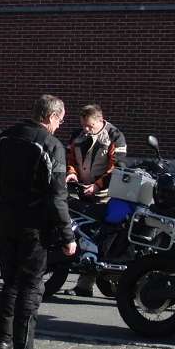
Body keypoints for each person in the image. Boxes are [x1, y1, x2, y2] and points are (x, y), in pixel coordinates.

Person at [0, 94, 76, 349]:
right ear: (51, 116)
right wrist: (67, 234)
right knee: (31, 285)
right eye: (60, 120)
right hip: (33, 225)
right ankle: (23, 348)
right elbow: (57, 196)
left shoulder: (6, 137)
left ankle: (3, 340)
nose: (59, 125)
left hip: (6, 221)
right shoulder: (51, 145)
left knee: (10, 281)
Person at [65, 104, 127, 297]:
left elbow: (117, 167)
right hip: (80, 189)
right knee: (80, 233)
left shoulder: (115, 136)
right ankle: (83, 285)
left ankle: (93, 283)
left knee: (99, 237)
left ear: (100, 120)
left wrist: (98, 186)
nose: (86, 129)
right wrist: (71, 174)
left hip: (103, 194)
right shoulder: (77, 135)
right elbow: (69, 158)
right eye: (83, 125)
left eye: (90, 126)